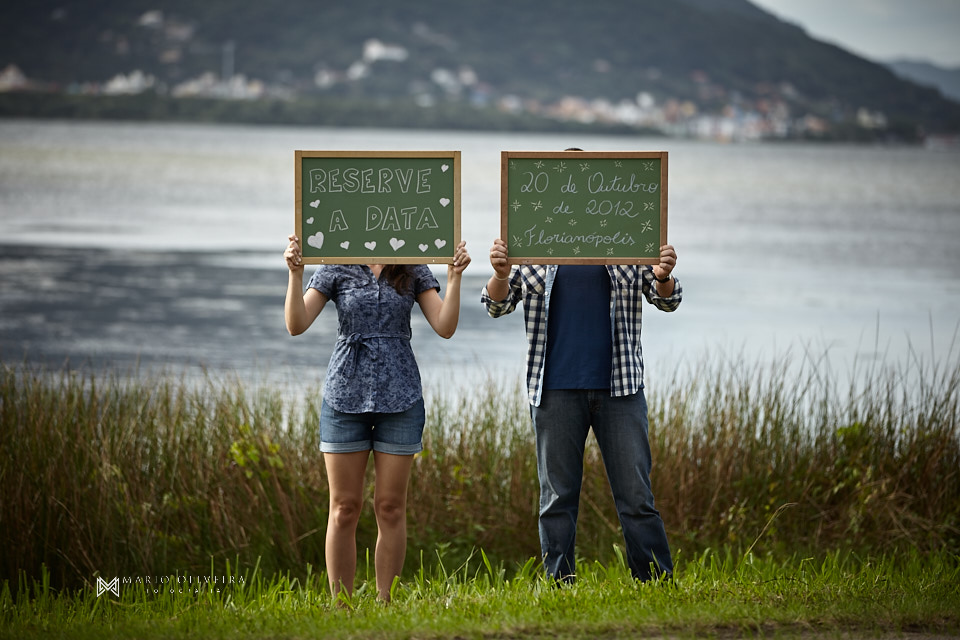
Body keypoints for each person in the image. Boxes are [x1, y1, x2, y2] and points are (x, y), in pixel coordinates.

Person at [481, 231, 681, 583]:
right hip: (554, 390)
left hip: (620, 390)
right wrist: (499, 273)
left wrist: (663, 276)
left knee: (636, 497)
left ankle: (656, 582)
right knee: (556, 499)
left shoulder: (627, 233)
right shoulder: (532, 235)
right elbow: (498, 305)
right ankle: (560, 584)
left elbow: (667, 300)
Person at [284, 234, 470, 600]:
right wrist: (294, 273)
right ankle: (342, 606)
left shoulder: (413, 264)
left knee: (390, 506)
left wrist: (455, 277)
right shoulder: (337, 261)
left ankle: (386, 603)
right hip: (344, 395)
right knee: (343, 507)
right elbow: (296, 323)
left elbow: (445, 327)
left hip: (400, 396)